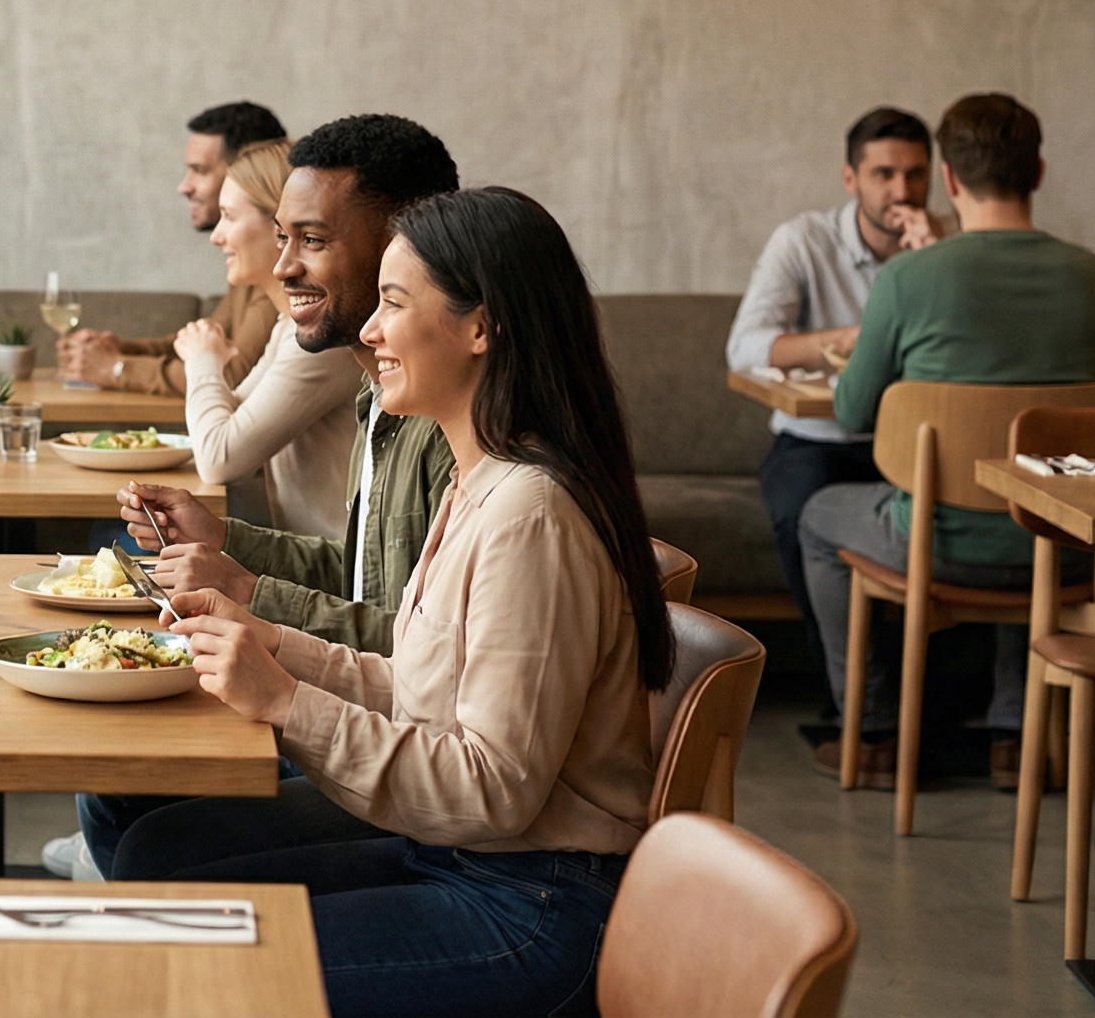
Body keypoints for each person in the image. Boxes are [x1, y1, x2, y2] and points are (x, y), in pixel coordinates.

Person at [139, 187, 668, 1018]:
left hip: (532, 904)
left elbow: (492, 789)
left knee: (198, 966)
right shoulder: (480, 480)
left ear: (481, 327)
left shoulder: (529, 512)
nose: (371, 330)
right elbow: (421, 688)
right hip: (468, 859)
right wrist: (270, 640)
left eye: (392, 302)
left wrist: (285, 701)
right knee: (160, 873)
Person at [48, 114, 462, 882]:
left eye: (312, 240)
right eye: (282, 238)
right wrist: (230, 540)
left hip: (408, 764)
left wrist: (253, 595)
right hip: (377, 719)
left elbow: (427, 669)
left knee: (150, 839)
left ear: (406, 248)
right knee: (113, 792)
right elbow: (365, 580)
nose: (286, 267)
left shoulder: (453, 430)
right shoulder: (382, 401)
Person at [797, 94, 1095, 789]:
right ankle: (1014, 736)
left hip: (937, 541)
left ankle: (870, 731)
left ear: (952, 181)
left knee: (818, 516)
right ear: (1040, 172)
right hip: (1067, 548)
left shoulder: (909, 278)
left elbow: (851, 411)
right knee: (1025, 507)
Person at [727, 106, 944, 692]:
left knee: (968, 520)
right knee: (798, 509)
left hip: (921, 446)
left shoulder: (947, 246)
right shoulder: (804, 241)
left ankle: (936, 697)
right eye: (884, 174)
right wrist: (851, 341)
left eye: (916, 174)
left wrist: (933, 266)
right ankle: (852, 696)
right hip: (817, 439)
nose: (902, 191)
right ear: (850, 179)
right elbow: (744, 347)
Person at [176, 137, 361, 538]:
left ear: (281, 224)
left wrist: (202, 361)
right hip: (298, 558)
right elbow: (230, 417)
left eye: (228, 216)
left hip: (329, 574)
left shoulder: (320, 341)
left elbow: (218, 457)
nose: (215, 236)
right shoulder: (289, 327)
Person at [59, 100, 288, 394]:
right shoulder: (248, 264)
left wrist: (117, 367)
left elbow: (230, 375)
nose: (184, 186)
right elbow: (207, 346)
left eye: (199, 170)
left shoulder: (280, 276)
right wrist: (118, 351)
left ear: (248, 173)